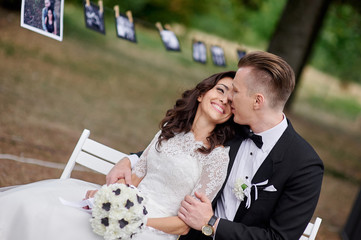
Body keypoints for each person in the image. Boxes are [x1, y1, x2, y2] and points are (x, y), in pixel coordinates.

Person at [108, 51, 324, 240]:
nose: (228, 98)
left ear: (257, 101)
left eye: (236, 92)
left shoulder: (304, 165)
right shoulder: (231, 129)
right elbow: (177, 151)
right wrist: (128, 160)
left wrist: (212, 223)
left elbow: (278, 238)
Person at [0, 71, 237, 240]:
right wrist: (109, 198)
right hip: (126, 207)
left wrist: (136, 220)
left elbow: (185, 226)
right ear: (201, 94)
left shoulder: (217, 157)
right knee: (41, 208)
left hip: (153, 229)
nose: (223, 101)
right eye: (220, 90)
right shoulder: (170, 130)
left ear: (230, 114)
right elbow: (136, 178)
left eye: (230, 101)